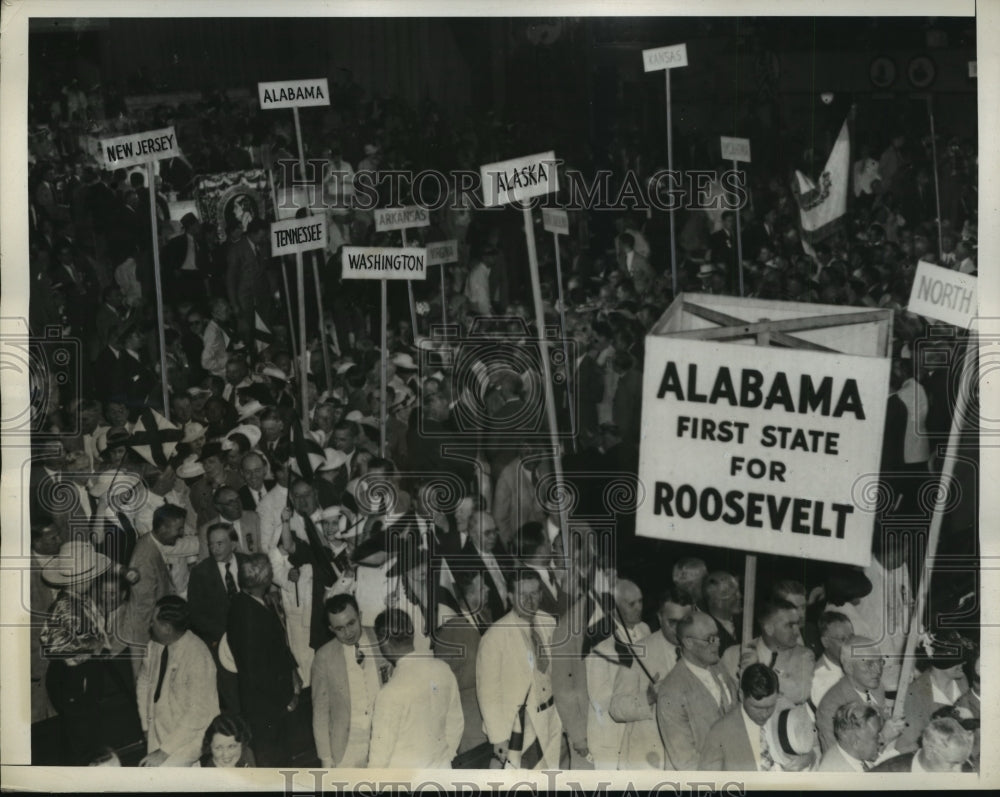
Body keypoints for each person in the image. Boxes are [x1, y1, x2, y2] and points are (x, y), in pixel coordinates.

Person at [477, 569, 563, 769]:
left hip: (551, 716)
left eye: (534, 594)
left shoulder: (549, 622)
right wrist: (498, 738)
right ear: (510, 597)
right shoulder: (495, 636)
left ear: (541, 594)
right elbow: (487, 692)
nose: (530, 601)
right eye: (523, 595)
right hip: (520, 726)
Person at [226, 554, 301, 767]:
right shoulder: (250, 613)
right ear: (265, 582)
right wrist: (286, 698)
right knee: (275, 760)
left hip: (263, 703)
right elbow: (257, 669)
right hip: (267, 705)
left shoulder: (244, 604)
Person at [369, 608, 464, 769]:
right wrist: (444, 758)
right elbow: (456, 724)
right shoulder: (442, 669)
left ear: (384, 642)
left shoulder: (389, 693)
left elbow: (379, 759)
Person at [611, 586, 692, 770]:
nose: (679, 629)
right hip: (647, 761)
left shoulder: (701, 650)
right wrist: (648, 698)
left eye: (685, 621)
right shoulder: (637, 652)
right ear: (659, 617)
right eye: (672, 622)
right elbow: (616, 708)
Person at [136, 596, 219, 767]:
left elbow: (198, 714)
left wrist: (164, 751)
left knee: (165, 774)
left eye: (154, 622)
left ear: (167, 628)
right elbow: (143, 683)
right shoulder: (154, 646)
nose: (150, 625)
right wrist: (146, 725)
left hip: (191, 736)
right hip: (159, 729)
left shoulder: (197, 655)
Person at [311, 594, 387, 768]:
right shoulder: (324, 657)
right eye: (339, 628)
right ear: (331, 628)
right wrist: (325, 758)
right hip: (347, 745)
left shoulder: (381, 638)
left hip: (385, 737)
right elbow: (320, 712)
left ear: (360, 616)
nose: (348, 632)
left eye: (351, 623)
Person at [656, 611, 738, 771]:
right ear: (688, 643)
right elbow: (685, 761)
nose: (718, 643)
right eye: (710, 639)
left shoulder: (718, 666)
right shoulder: (671, 691)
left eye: (718, 636)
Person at [585, 578, 650, 769]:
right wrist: (637, 702)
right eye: (631, 604)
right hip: (610, 733)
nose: (639, 607)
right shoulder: (600, 636)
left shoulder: (644, 629)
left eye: (641, 601)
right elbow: (598, 696)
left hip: (637, 729)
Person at [434, 570, 493, 766]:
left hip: (490, 714)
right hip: (471, 723)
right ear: (467, 593)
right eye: (482, 585)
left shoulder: (484, 618)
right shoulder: (452, 631)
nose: (488, 588)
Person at [816, 635, 905, 754]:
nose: (878, 670)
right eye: (869, 664)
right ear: (849, 667)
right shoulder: (830, 709)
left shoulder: (875, 686)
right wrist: (883, 738)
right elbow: (843, 762)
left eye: (879, 662)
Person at [698, 663, 781, 771]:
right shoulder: (719, 734)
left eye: (770, 706)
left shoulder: (785, 714)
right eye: (757, 708)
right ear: (741, 695)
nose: (765, 714)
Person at [871, 717, 974, 772]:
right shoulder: (888, 774)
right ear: (929, 751)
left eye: (962, 761)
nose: (959, 771)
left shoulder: (968, 769)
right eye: (953, 763)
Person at [818, 702, 883, 772]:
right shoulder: (839, 774)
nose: (881, 740)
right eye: (876, 737)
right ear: (855, 741)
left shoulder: (852, 755)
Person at [812, 611, 854, 707]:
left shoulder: (848, 663)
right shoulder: (821, 680)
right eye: (842, 639)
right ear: (825, 642)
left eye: (852, 637)